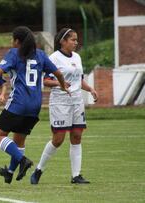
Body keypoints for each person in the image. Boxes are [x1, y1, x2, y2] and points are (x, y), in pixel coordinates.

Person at [0, 26, 69, 184]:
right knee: (19, 141)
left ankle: (22, 160)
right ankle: (9, 172)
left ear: (17, 41)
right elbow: (59, 74)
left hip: (18, 103)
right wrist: (62, 85)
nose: (11, 42)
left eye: (12, 39)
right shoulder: (41, 55)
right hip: (35, 105)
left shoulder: (15, 53)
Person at [30, 28, 98, 185]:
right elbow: (45, 81)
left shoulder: (77, 57)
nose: (76, 42)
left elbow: (78, 80)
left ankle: (76, 175)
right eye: (73, 39)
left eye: (76, 39)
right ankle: (39, 169)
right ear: (63, 41)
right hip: (60, 102)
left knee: (77, 136)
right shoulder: (53, 58)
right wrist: (60, 84)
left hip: (76, 101)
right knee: (58, 139)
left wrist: (90, 89)